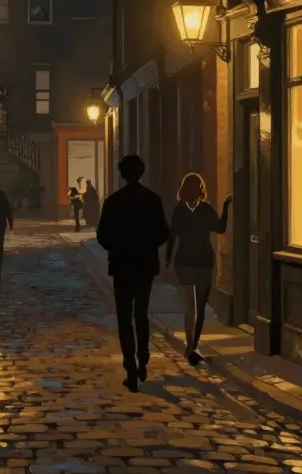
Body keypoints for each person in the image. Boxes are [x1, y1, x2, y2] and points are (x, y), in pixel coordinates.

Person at [96, 154, 170, 392]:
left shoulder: (113, 201)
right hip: (145, 265)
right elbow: (163, 232)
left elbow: (102, 236)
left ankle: (130, 368)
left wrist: (117, 248)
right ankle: (143, 355)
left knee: (124, 317)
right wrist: (147, 247)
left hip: (122, 266)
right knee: (141, 313)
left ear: (122, 174)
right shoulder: (153, 200)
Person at [165, 172, 231, 365]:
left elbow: (172, 236)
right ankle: (193, 346)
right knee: (201, 306)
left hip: (183, 260)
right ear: (201, 189)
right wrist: (226, 207)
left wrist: (168, 259)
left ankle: (188, 345)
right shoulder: (205, 209)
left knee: (189, 304)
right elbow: (220, 228)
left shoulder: (179, 210)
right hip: (203, 260)